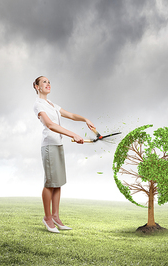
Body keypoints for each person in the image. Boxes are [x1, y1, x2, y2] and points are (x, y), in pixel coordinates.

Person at [33, 76, 95, 233]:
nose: (48, 84)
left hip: (58, 145)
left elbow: (72, 116)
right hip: (49, 146)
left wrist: (85, 119)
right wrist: (73, 134)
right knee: (49, 183)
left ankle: (55, 216)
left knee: (58, 182)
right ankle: (47, 217)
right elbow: (50, 124)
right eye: (44, 82)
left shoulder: (52, 104)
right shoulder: (38, 104)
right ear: (37, 86)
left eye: (49, 82)